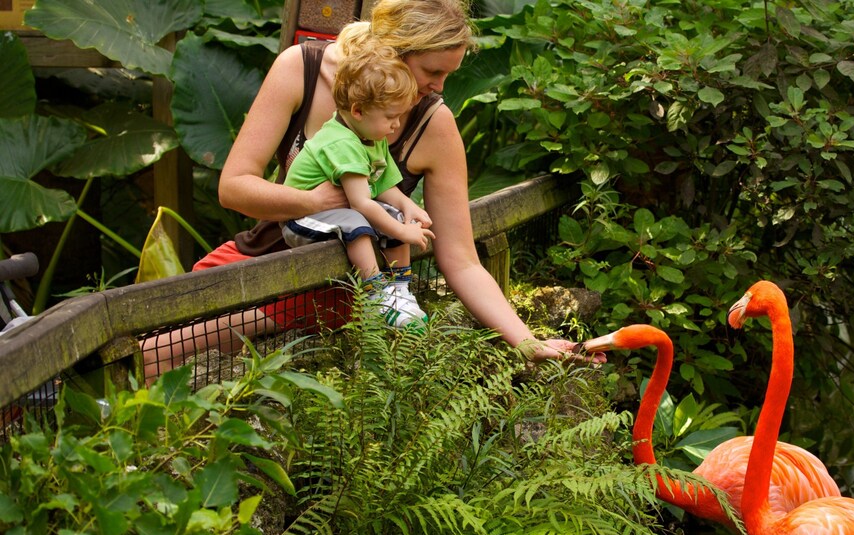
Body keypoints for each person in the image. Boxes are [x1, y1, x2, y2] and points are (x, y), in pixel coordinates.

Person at [141, 0, 604, 380]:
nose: (439, 88)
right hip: (265, 250)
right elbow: (234, 188)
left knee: (158, 353)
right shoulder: (300, 69)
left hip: (338, 283)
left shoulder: (433, 123)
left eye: (449, 75)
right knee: (149, 334)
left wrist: (526, 341)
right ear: (392, 51)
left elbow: (460, 258)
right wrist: (312, 201)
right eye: (431, 71)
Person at [280, 25, 432, 328]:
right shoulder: (343, 143)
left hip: (335, 211)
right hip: (302, 219)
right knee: (360, 222)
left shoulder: (372, 136)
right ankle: (375, 295)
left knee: (390, 214)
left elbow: (385, 185)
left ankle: (400, 291)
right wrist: (403, 234)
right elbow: (362, 202)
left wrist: (407, 209)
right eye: (390, 117)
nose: (395, 125)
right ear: (358, 110)